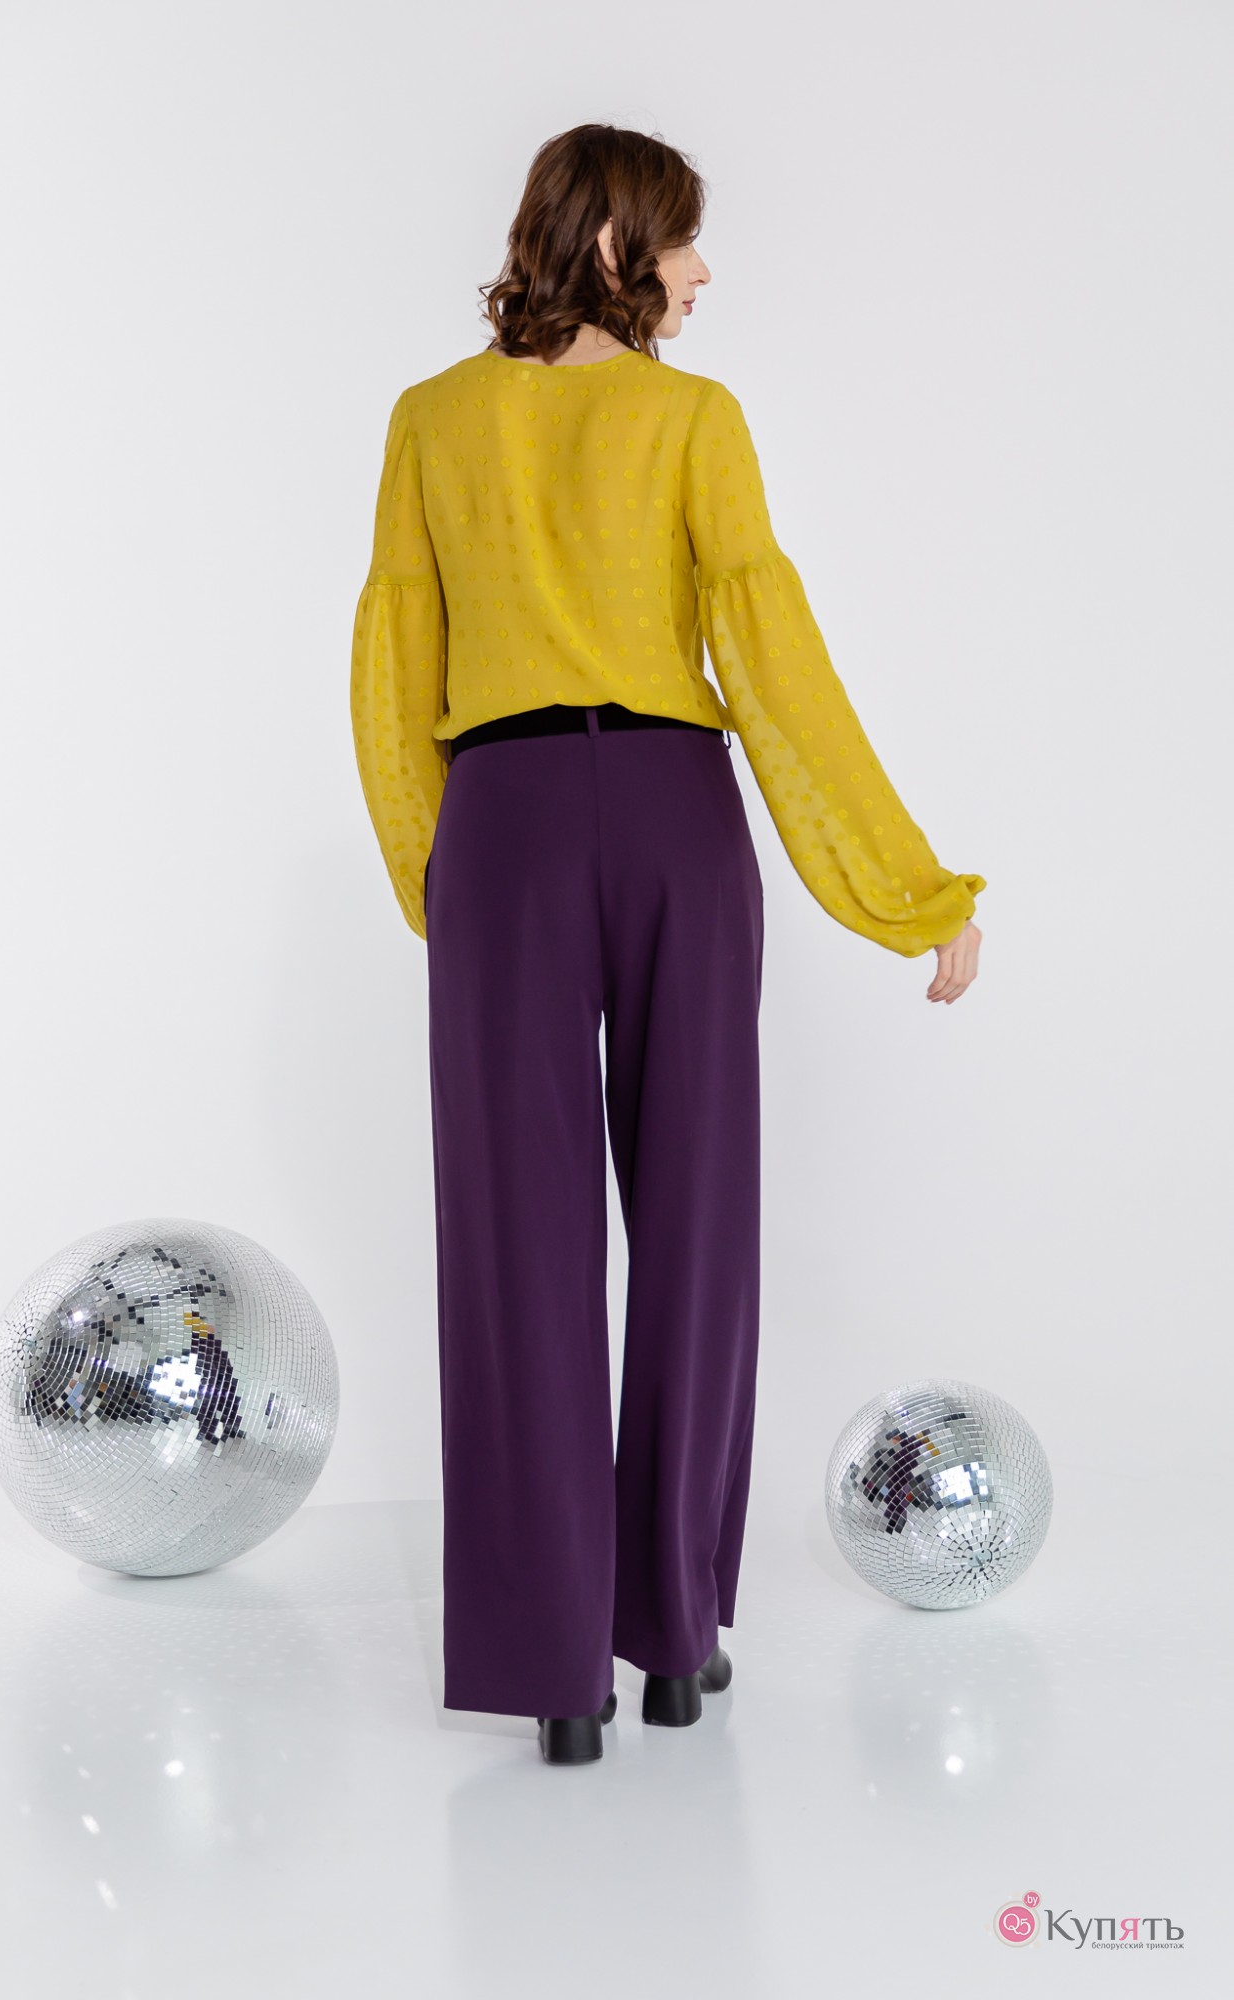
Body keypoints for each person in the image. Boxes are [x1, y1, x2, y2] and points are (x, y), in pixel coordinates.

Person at [350, 123, 986, 1767]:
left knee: (513, 1238)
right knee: (698, 1215)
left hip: (499, 821)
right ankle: (676, 1636)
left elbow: (394, 663)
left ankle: (556, 1671)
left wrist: (442, 883)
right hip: (670, 813)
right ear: (615, 245)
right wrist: (902, 887)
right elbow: (769, 657)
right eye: (684, 241)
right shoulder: (691, 419)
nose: (702, 273)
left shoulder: (430, 419)